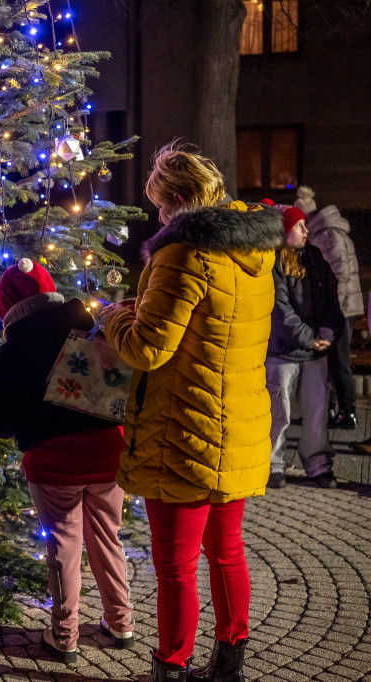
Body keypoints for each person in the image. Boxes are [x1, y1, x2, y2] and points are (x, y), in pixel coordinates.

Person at [99, 143, 282, 682]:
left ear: (178, 201)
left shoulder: (184, 252)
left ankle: (171, 666)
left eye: (159, 206)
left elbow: (148, 350)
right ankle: (229, 664)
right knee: (227, 552)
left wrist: (115, 317)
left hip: (184, 431)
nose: (157, 216)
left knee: (176, 564)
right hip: (237, 423)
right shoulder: (255, 254)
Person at [0, 258, 134, 664]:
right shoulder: (87, 321)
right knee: (108, 538)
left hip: (53, 464)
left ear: (6, 305)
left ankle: (64, 635)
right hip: (107, 452)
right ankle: (121, 622)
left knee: (64, 547)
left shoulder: (12, 351)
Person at [264, 200, 344, 489]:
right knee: (278, 414)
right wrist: (311, 338)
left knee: (317, 411)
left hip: (313, 354)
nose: (305, 230)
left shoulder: (314, 258)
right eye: (299, 226)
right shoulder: (273, 262)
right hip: (282, 354)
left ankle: (318, 465)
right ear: (285, 231)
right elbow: (280, 311)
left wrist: (328, 330)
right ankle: (272, 465)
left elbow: (332, 298)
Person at [294, 187, 363, 430]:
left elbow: (340, 276)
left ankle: (348, 411)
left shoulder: (328, 235)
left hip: (341, 309)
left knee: (338, 360)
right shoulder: (324, 233)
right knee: (328, 360)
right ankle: (331, 410)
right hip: (339, 307)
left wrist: (333, 313)